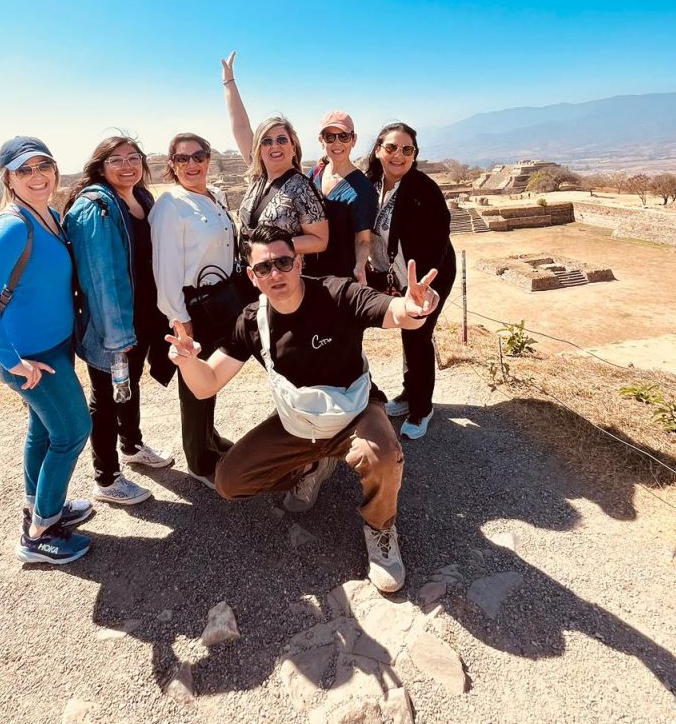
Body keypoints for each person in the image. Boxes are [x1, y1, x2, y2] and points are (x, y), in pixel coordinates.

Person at [166, 224, 440, 594]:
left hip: (355, 412)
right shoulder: (252, 321)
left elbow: (392, 312)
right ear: (252, 276)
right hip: (300, 423)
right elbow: (207, 383)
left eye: (283, 262)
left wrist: (413, 308)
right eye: (264, 267)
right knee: (230, 481)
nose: (275, 273)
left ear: (299, 263)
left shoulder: (337, 293)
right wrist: (187, 362)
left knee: (383, 455)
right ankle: (310, 466)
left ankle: (380, 528)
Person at [0, 136, 92, 564]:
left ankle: (41, 506)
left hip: (53, 347)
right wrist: (12, 361)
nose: (37, 176)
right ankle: (40, 534)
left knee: (43, 429)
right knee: (72, 432)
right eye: (24, 170)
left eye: (43, 166)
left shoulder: (49, 215)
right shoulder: (14, 226)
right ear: (8, 178)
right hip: (31, 359)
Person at [64, 136, 175, 507]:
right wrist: (116, 336)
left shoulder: (141, 198)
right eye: (116, 159)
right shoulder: (95, 208)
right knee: (106, 397)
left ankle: (131, 444)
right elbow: (101, 280)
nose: (127, 166)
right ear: (101, 166)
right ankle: (107, 477)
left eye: (133, 157)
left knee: (128, 385)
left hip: (141, 317)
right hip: (112, 324)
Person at [149, 132, 238, 489]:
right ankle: (199, 461)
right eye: (182, 158)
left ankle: (209, 438)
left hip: (221, 301)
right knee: (193, 383)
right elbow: (165, 268)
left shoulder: (213, 196)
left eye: (198, 156)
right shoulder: (170, 205)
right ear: (172, 164)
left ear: (208, 158)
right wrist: (179, 319)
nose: (192, 164)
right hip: (193, 307)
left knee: (209, 376)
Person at [365, 122, 456, 440]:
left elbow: (439, 238)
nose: (398, 155)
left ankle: (421, 407)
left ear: (414, 155)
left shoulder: (423, 189)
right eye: (391, 147)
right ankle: (408, 393)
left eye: (407, 149)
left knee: (417, 336)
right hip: (394, 274)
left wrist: (423, 286)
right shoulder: (371, 184)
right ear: (378, 150)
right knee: (406, 331)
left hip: (430, 275)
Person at [221, 52, 328, 292]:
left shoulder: (302, 188)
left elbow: (320, 240)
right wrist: (229, 82)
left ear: (293, 146)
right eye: (266, 141)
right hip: (252, 278)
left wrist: (273, 248)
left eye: (281, 139)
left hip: (283, 280)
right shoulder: (258, 177)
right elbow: (241, 127)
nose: (274, 146)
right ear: (259, 148)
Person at [308, 111, 378, 281]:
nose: (337, 142)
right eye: (330, 137)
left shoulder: (363, 188)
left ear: (353, 140)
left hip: (342, 276)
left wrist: (360, 266)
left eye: (344, 136)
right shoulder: (314, 175)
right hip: (309, 273)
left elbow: (363, 239)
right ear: (321, 140)